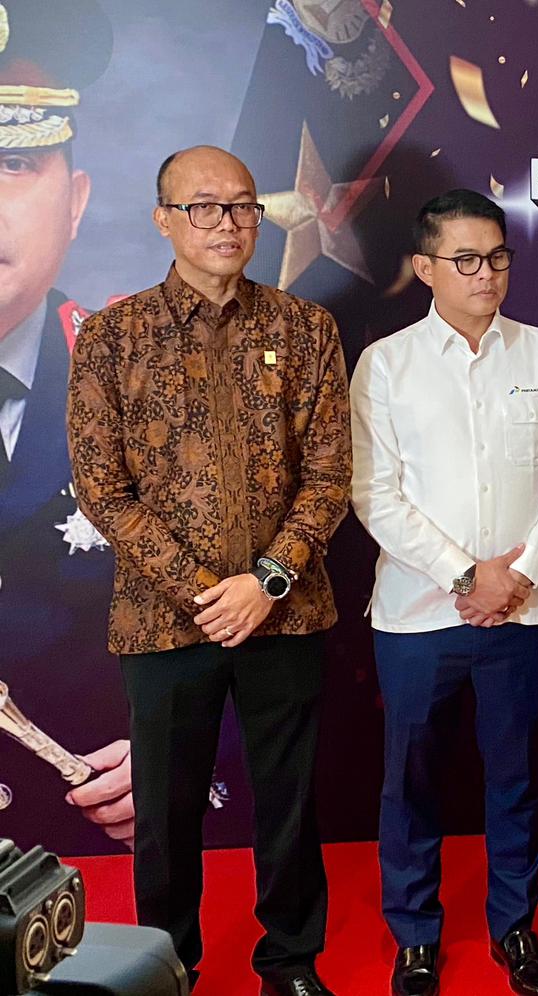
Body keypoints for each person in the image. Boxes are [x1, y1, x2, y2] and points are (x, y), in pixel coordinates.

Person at [67, 145, 352, 995]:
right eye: (204, 207)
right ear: (164, 218)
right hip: (163, 621)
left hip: (285, 613)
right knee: (164, 812)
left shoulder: (306, 329)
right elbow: (103, 489)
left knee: (290, 802)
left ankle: (291, 963)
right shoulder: (113, 336)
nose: (226, 223)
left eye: (242, 206)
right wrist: (205, 593)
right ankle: (168, 965)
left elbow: (330, 476)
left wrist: (266, 582)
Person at [350, 189, 538, 996]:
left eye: (496, 257)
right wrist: (466, 574)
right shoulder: (387, 364)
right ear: (425, 268)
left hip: (529, 610)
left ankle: (514, 926)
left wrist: (518, 575)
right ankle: (416, 935)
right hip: (419, 615)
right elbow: (374, 494)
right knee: (411, 780)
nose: (486, 273)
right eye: (465, 260)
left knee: (516, 776)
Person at [0, 0, 136, 852]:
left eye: (15, 161)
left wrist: (180, 747)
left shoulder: (146, 388)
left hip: (91, 852)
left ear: (76, 202)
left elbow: (228, 620)